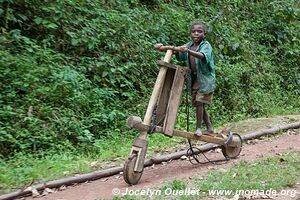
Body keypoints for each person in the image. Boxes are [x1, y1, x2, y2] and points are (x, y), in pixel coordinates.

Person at [155, 22, 216, 137]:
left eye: (199, 31)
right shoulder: (189, 45)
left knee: (199, 102)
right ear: (190, 33)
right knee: (199, 104)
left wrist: (188, 51)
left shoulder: (205, 45)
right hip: (194, 79)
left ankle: (198, 128)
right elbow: (180, 52)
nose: (196, 34)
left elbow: (203, 56)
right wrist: (164, 48)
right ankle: (209, 127)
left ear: (204, 34)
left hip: (205, 79)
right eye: (194, 31)